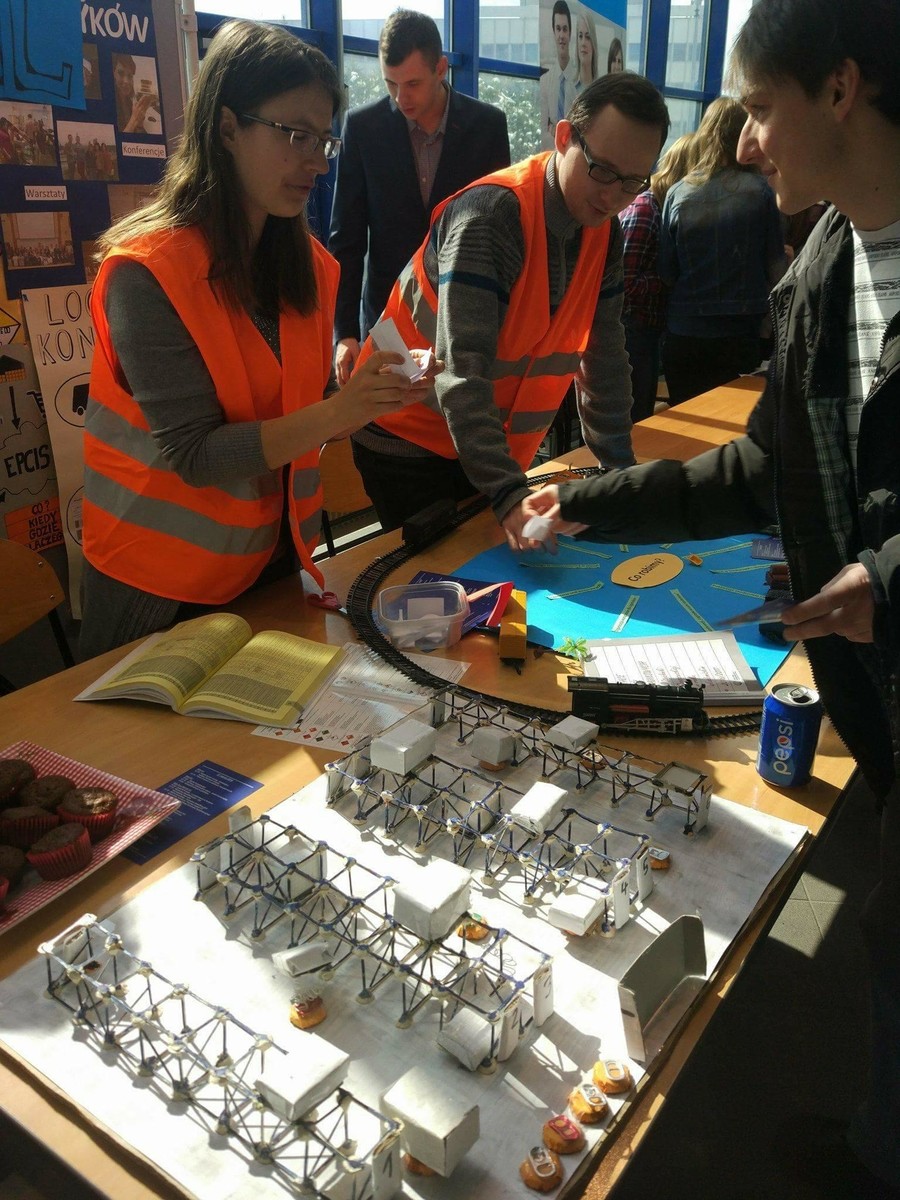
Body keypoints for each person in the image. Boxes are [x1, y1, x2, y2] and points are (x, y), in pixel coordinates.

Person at [523, 0, 900, 1190]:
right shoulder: (825, 266)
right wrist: (593, 499)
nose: (744, 141)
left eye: (761, 108)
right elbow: (760, 468)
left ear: (840, 89)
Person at [79, 19, 433, 660]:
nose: (316, 162)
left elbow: (298, 419)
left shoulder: (310, 268)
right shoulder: (147, 272)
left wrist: (366, 398)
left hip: (272, 566)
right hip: (156, 589)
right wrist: (339, 411)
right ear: (226, 128)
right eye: (295, 135)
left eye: (323, 140)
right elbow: (197, 455)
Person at [350, 72, 670, 547]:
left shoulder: (606, 235)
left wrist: (619, 473)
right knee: (450, 578)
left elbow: (604, 362)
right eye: (601, 170)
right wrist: (507, 493)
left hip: (483, 445)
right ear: (564, 137)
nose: (612, 197)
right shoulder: (491, 218)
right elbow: (462, 373)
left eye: (631, 182)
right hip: (409, 440)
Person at [328, 9, 509, 386]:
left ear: (441, 68)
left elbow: (501, 233)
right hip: (387, 316)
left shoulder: (487, 127)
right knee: (388, 415)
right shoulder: (363, 128)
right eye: (390, 83)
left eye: (412, 83)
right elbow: (346, 238)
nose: (400, 97)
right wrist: (343, 331)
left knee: (456, 415)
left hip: (462, 313)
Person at [659, 95, 787, 405]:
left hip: (684, 333)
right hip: (739, 335)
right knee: (731, 423)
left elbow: (666, 272)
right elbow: (776, 270)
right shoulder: (762, 192)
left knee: (683, 423)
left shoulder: (676, 193)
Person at [619, 131, 696, 420]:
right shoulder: (646, 209)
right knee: (636, 414)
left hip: (644, 329)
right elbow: (625, 282)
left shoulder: (659, 208)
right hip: (633, 330)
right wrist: (666, 279)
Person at [540, 1, 576, 145]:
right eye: (558, 29)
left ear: (570, 33)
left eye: (565, 29)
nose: (561, 35)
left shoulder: (579, 81)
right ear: (554, 32)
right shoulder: (545, 82)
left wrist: (554, 130)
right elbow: (542, 131)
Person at [112, 53, 157, 134]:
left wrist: (139, 124)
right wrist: (134, 119)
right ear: (113, 73)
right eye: (121, 73)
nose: (126, 81)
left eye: (130, 76)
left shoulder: (129, 101)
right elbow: (118, 140)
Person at [573, 12, 597, 93]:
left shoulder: (601, 89)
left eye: (588, 37)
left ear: (593, 44)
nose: (583, 43)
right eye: (580, 36)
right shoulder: (569, 87)